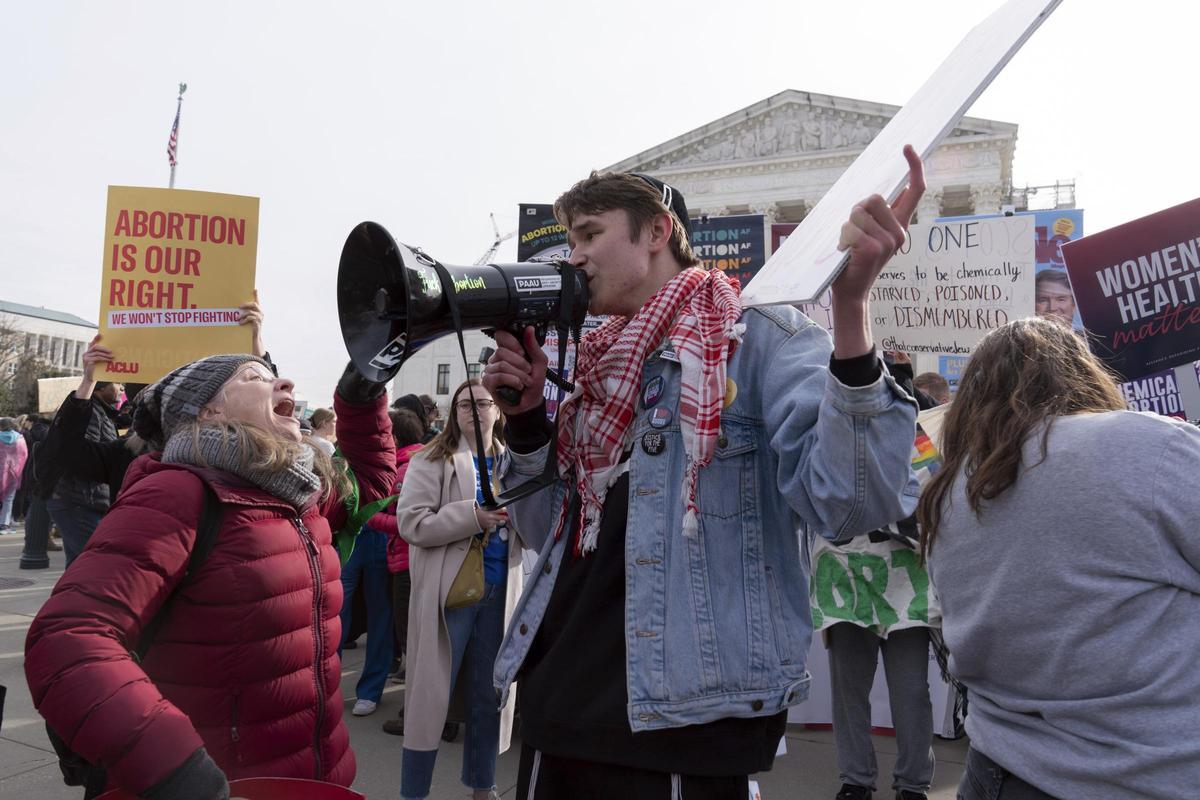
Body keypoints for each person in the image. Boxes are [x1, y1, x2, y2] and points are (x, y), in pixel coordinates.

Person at [483, 151, 924, 799]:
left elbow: (850, 503)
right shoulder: (587, 361)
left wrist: (851, 310)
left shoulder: (763, 338)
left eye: (590, 234)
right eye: (569, 239)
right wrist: (525, 426)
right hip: (558, 706)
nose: (573, 256)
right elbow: (545, 532)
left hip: (685, 721)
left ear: (657, 232)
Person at [24, 354, 396, 800]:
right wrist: (177, 773)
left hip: (315, 776)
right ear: (208, 410)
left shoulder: (299, 490)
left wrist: (362, 392)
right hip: (229, 785)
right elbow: (68, 636)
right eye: (256, 377)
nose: (285, 383)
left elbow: (372, 483)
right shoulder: (177, 489)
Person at [917, 317, 1200, 798]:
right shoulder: (1146, 446)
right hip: (1144, 773)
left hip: (998, 772)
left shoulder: (947, 491)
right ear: (1081, 372)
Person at [397, 379, 528, 800]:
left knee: (489, 695)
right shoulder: (431, 459)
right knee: (429, 699)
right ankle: (413, 792)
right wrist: (474, 516)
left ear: (498, 411)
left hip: (500, 591)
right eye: (463, 404)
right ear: (454, 414)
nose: (474, 409)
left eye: (483, 403)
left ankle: (482, 785)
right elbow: (412, 523)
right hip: (448, 594)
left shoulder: (517, 462)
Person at [380, 407, 429, 736]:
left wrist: (368, 515)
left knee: (414, 642)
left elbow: (408, 524)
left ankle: (415, 714)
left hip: (407, 562)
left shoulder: (404, 471)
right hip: (419, 561)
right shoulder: (424, 461)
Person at [41, 374, 121, 565]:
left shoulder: (102, 412)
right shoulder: (90, 411)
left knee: (78, 565)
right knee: (96, 564)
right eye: (117, 383)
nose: (122, 388)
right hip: (78, 500)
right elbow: (83, 455)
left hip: (82, 499)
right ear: (100, 387)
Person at [0, 417, 28, 531]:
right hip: (13, 473)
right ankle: (4, 523)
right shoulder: (20, 438)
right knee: (9, 498)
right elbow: (24, 454)